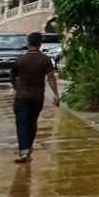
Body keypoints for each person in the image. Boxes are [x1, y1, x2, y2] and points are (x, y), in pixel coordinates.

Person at [9, 31, 60, 163]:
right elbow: (50, 77)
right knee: (32, 121)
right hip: (37, 97)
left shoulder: (21, 59)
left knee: (21, 122)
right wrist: (56, 94)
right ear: (39, 43)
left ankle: (23, 151)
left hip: (21, 96)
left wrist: (16, 86)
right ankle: (28, 146)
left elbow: (12, 76)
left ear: (28, 43)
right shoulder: (45, 59)